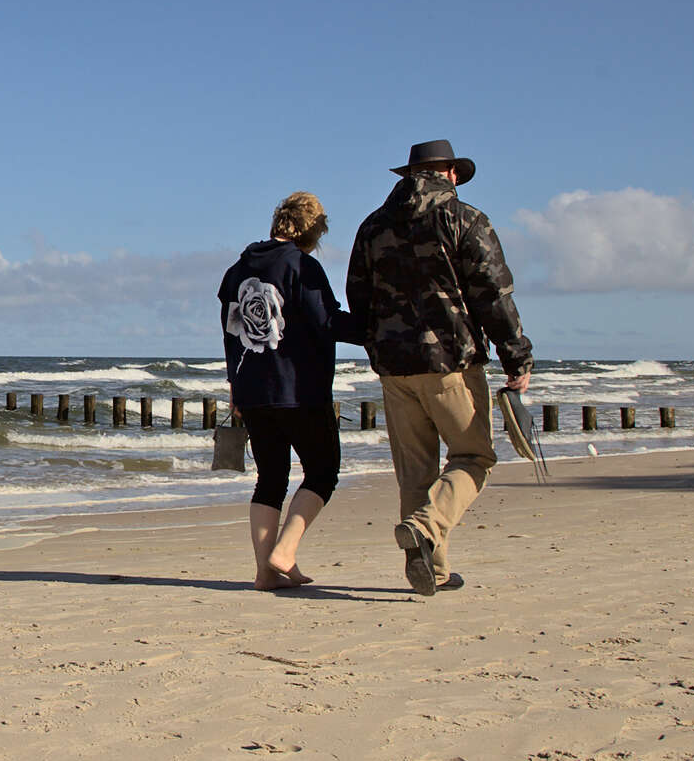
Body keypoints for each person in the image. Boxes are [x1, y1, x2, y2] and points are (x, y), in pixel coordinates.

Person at [346, 140, 533, 596]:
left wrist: (377, 346)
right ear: (447, 172)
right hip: (452, 361)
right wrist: (517, 357)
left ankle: (436, 568)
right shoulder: (465, 219)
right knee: (474, 457)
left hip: (394, 367)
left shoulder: (372, 226)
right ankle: (427, 526)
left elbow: (358, 296)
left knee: (416, 474)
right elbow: (493, 294)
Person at [219, 191, 358, 590]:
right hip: (300, 391)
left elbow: (231, 335)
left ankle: (266, 572)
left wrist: (234, 387)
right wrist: (378, 330)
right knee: (323, 470)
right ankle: (285, 551)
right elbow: (327, 322)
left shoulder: (234, 272)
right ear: (313, 229)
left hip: (252, 392)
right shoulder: (302, 265)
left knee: (270, 478)